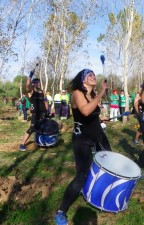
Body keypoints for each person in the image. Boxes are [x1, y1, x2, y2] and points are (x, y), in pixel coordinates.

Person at [55, 69, 111, 225]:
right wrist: (101, 92)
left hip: (98, 135)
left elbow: (93, 113)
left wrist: (102, 118)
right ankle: (61, 212)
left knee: (109, 163)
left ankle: (100, 194)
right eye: (89, 75)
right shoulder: (77, 94)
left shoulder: (93, 95)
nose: (93, 76)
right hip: (82, 139)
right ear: (82, 79)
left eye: (94, 75)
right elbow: (85, 111)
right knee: (81, 175)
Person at [19, 71, 48, 151]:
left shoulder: (42, 92)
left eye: (39, 82)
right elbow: (27, 86)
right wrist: (30, 76)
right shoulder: (31, 92)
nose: (38, 84)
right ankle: (22, 144)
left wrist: (47, 110)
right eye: (37, 82)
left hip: (43, 113)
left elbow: (45, 101)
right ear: (33, 84)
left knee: (42, 128)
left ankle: (40, 142)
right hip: (35, 114)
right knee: (31, 129)